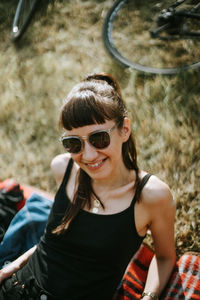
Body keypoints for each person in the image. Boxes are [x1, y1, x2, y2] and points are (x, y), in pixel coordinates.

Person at [0, 73, 176, 300]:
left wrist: (148, 297)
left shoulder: (151, 196)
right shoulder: (63, 168)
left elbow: (164, 258)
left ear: (125, 129)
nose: (89, 155)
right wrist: (12, 267)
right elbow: (51, 242)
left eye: (99, 138)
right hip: (18, 288)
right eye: (73, 143)